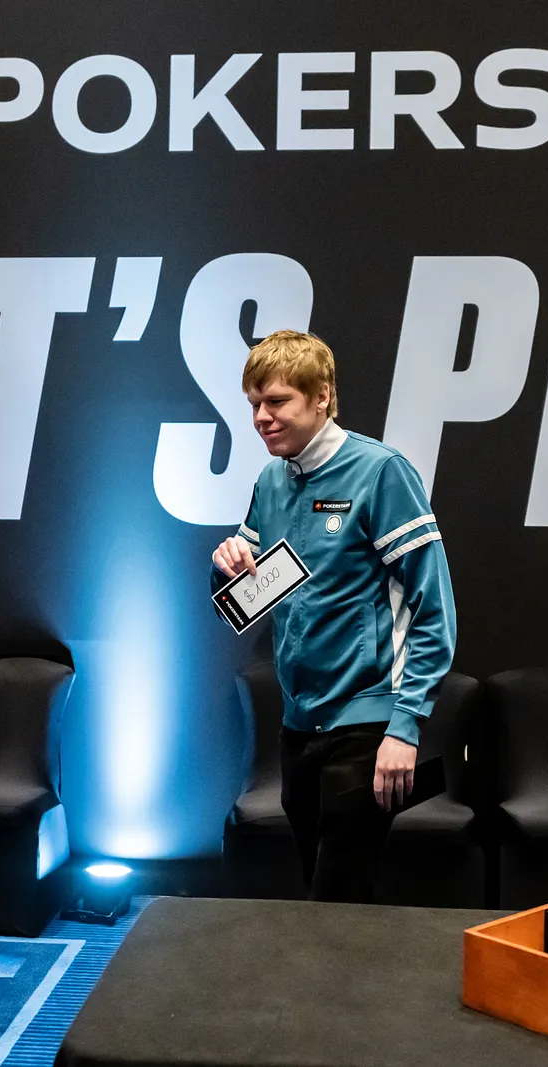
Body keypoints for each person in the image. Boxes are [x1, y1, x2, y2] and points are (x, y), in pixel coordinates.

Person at [211, 329, 457, 903]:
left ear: (321, 396)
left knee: (337, 904)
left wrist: (404, 727)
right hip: (298, 728)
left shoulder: (381, 472)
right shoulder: (271, 481)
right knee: (324, 903)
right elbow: (243, 607)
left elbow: (434, 612)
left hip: (366, 726)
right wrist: (226, 571)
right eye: (254, 404)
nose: (261, 418)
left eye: (277, 401)